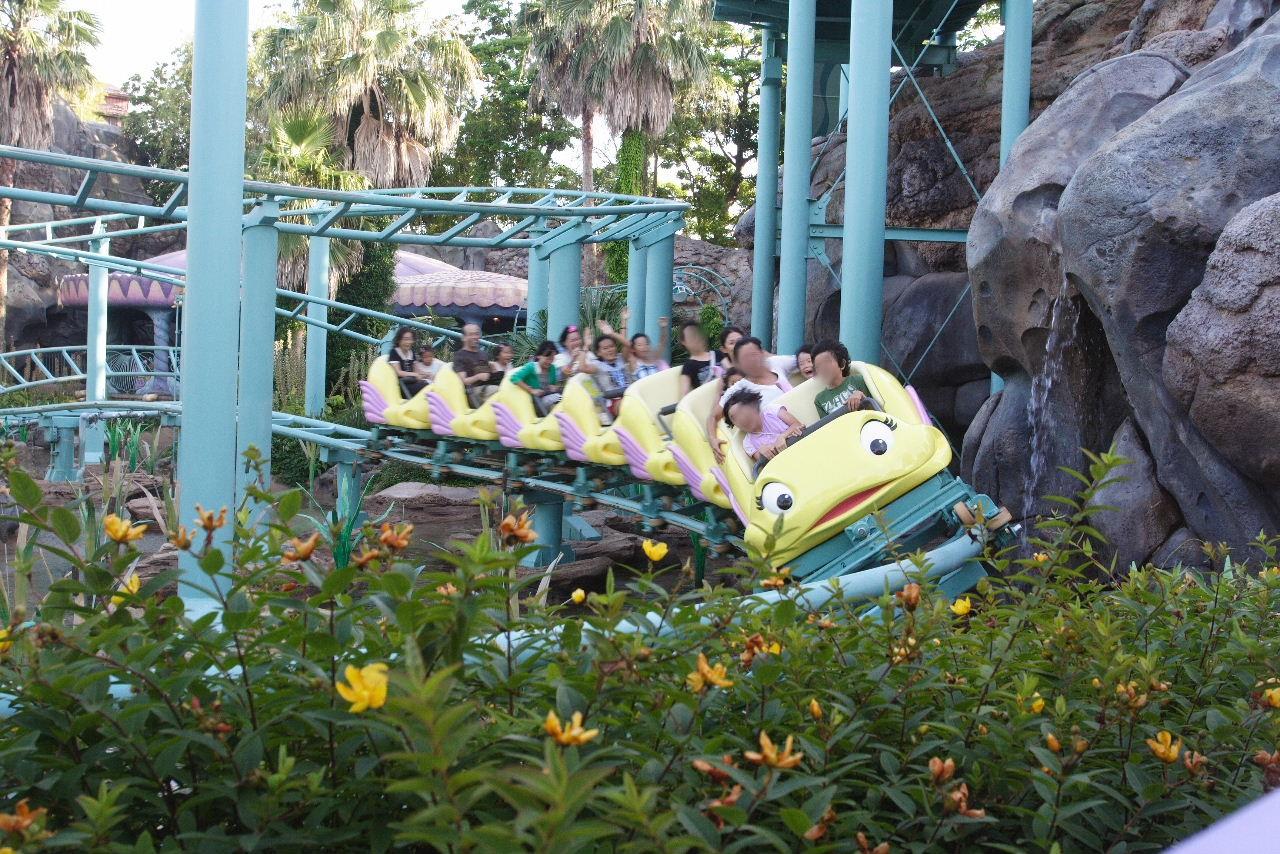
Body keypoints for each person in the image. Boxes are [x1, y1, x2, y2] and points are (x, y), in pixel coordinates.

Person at [709, 337, 793, 463]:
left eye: (753, 354)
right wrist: (712, 439)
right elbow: (713, 416)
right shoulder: (738, 389)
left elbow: (807, 359)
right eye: (745, 358)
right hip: (781, 443)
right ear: (738, 363)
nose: (751, 360)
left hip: (801, 426)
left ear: (762, 353)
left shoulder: (776, 363)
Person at [723, 387, 804, 462]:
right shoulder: (748, 443)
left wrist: (783, 436)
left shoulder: (772, 411)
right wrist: (761, 452)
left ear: (753, 405)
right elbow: (763, 463)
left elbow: (797, 424)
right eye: (734, 418)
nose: (741, 418)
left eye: (742, 411)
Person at [812, 340, 875, 416]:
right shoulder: (819, 400)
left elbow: (879, 410)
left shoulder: (859, 380)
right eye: (818, 366)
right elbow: (827, 424)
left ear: (842, 364)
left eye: (826, 363)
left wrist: (862, 397)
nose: (822, 369)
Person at [511, 341, 564, 415]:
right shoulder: (531, 367)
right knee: (558, 398)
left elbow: (553, 385)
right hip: (535, 402)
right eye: (547, 358)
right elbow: (514, 378)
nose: (549, 361)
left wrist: (553, 387)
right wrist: (531, 390)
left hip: (547, 398)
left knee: (562, 395)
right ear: (539, 356)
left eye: (552, 358)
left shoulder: (552, 368)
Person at [451, 323, 494, 407]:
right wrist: (478, 377)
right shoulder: (460, 355)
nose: (475, 337)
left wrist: (493, 370)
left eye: (476, 334)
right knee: (498, 391)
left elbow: (487, 374)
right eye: (471, 334)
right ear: (464, 337)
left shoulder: (483, 354)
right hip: (471, 392)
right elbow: (464, 381)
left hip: (487, 386)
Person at [678, 321, 719, 395]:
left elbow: (732, 372)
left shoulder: (718, 354)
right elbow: (685, 394)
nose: (696, 338)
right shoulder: (688, 366)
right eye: (691, 336)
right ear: (683, 342)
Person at [390, 327, 428, 397]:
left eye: (410, 339)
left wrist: (426, 374)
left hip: (411, 382)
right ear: (399, 340)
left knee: (428, 384)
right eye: (406, 339)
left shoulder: (411, 353)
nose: (408, 342)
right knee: (425, 387)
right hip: (400, 385)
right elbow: (398, 372)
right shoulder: (394, 352)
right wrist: (415, 375)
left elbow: (416, 371)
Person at [628, 317, 669, 381]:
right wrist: (624, 321)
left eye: (646, 344)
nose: (644, 347)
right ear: (633, 349)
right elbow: (625, 345)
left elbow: (662, 343)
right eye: (640, 345)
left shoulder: (654, 358)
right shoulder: (634, 362)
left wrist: (663, 328)